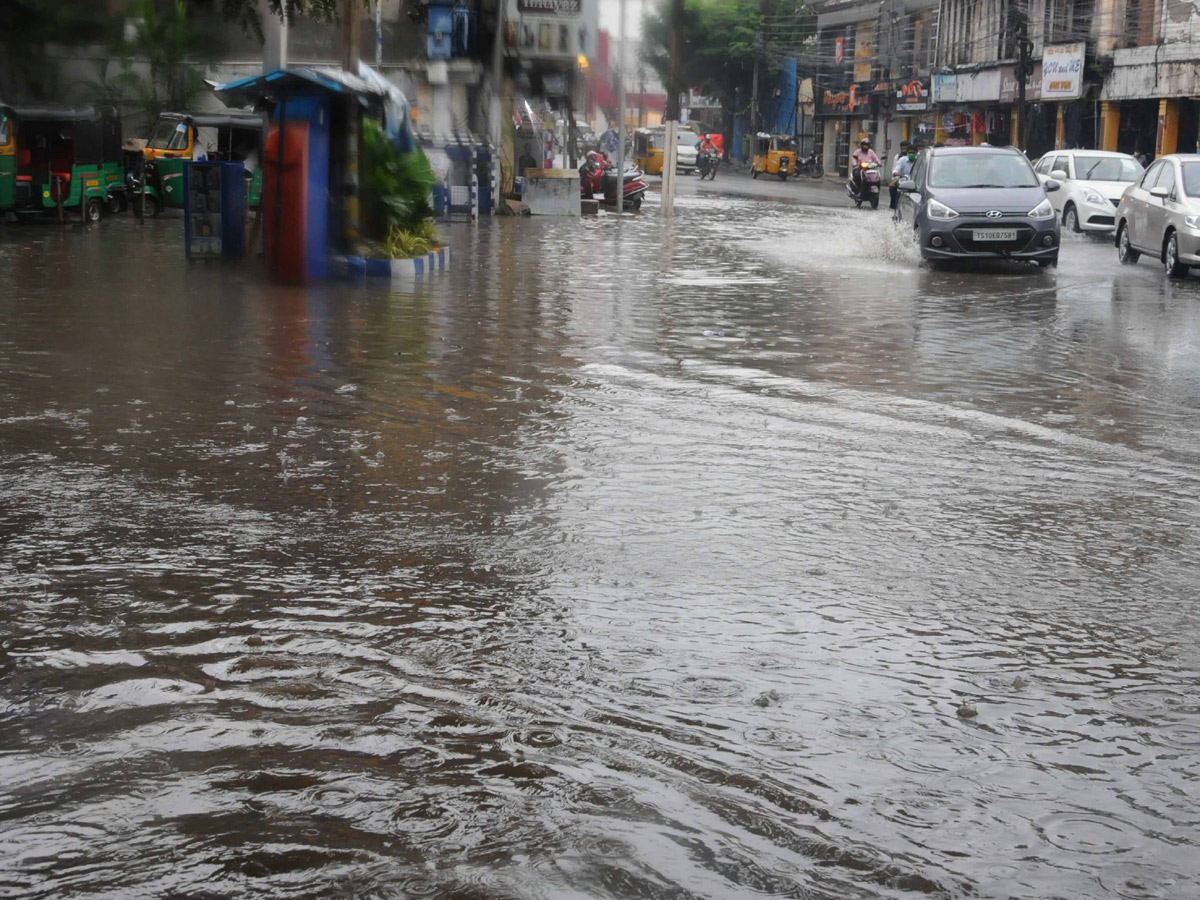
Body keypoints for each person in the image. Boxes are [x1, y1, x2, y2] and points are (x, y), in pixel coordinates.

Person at [889, 141, 916, 211]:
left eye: (913, 153)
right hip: (903, 182)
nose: (911, 154)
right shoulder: (901, 159)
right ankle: (895, 207)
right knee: (893, 188)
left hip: (916, 183)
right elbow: (895, 170)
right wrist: (897, 175)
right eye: (910, 153)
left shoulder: (919, 161)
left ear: (916, 153)